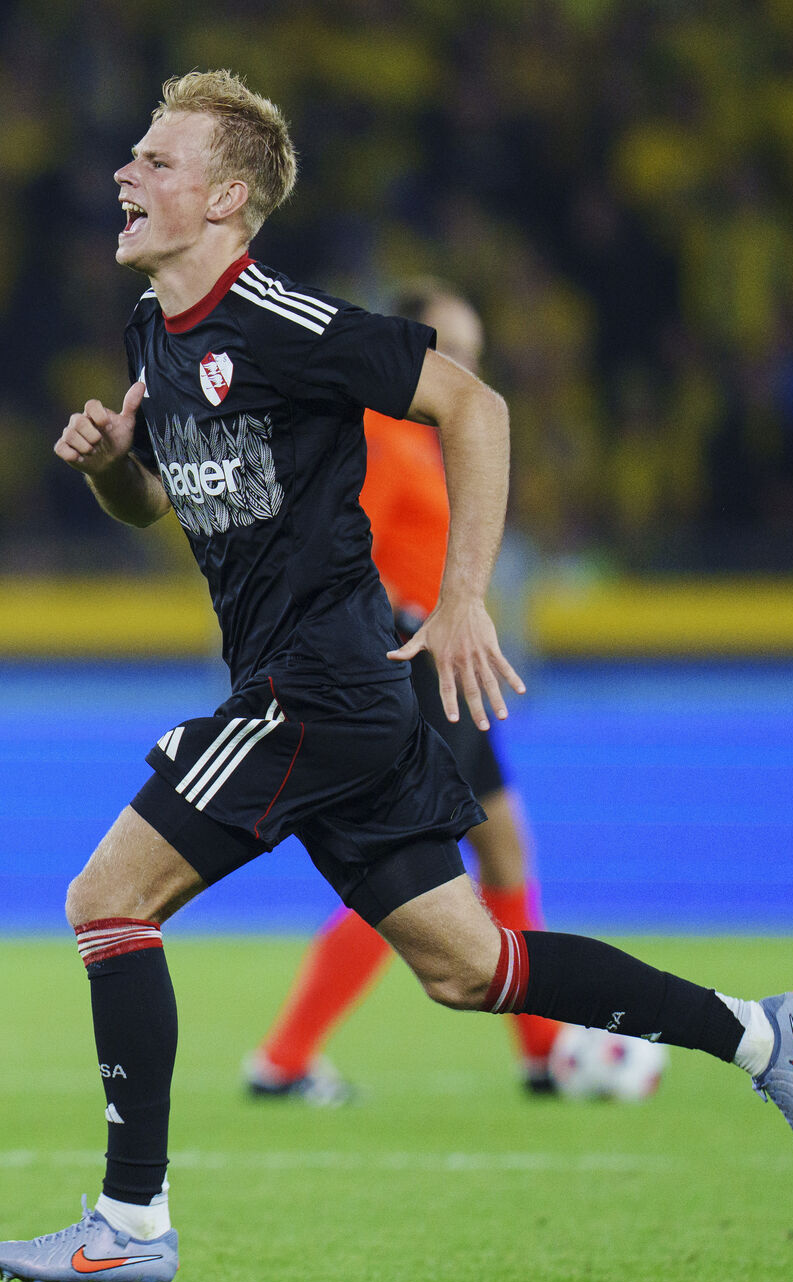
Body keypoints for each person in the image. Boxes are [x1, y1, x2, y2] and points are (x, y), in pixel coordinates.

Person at [0, 71, 793, 1282]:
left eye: (158, 160)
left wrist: (464, 596)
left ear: (225, 200)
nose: (126, 172)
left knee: (106, 899)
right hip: (343, 699)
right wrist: (114, 466)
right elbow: (152, 505)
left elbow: (473, 405)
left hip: (315, 686)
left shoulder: (280, 318)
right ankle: (762, 1033)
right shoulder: (151, 338)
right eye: (134, 155)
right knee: (470, 967)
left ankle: (129, 1218)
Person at [242, 280, 582, 1102]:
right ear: (406, 353)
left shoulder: (432, 444)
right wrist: (387, 615)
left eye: (474, 354)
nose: (463, 369)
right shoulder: (383, 440)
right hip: (417, 665)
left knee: (504, 847)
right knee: (409, 875)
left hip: (452, 662)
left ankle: (543, 1053)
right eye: (447, 351)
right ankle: (284, 1057)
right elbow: (334, 547)